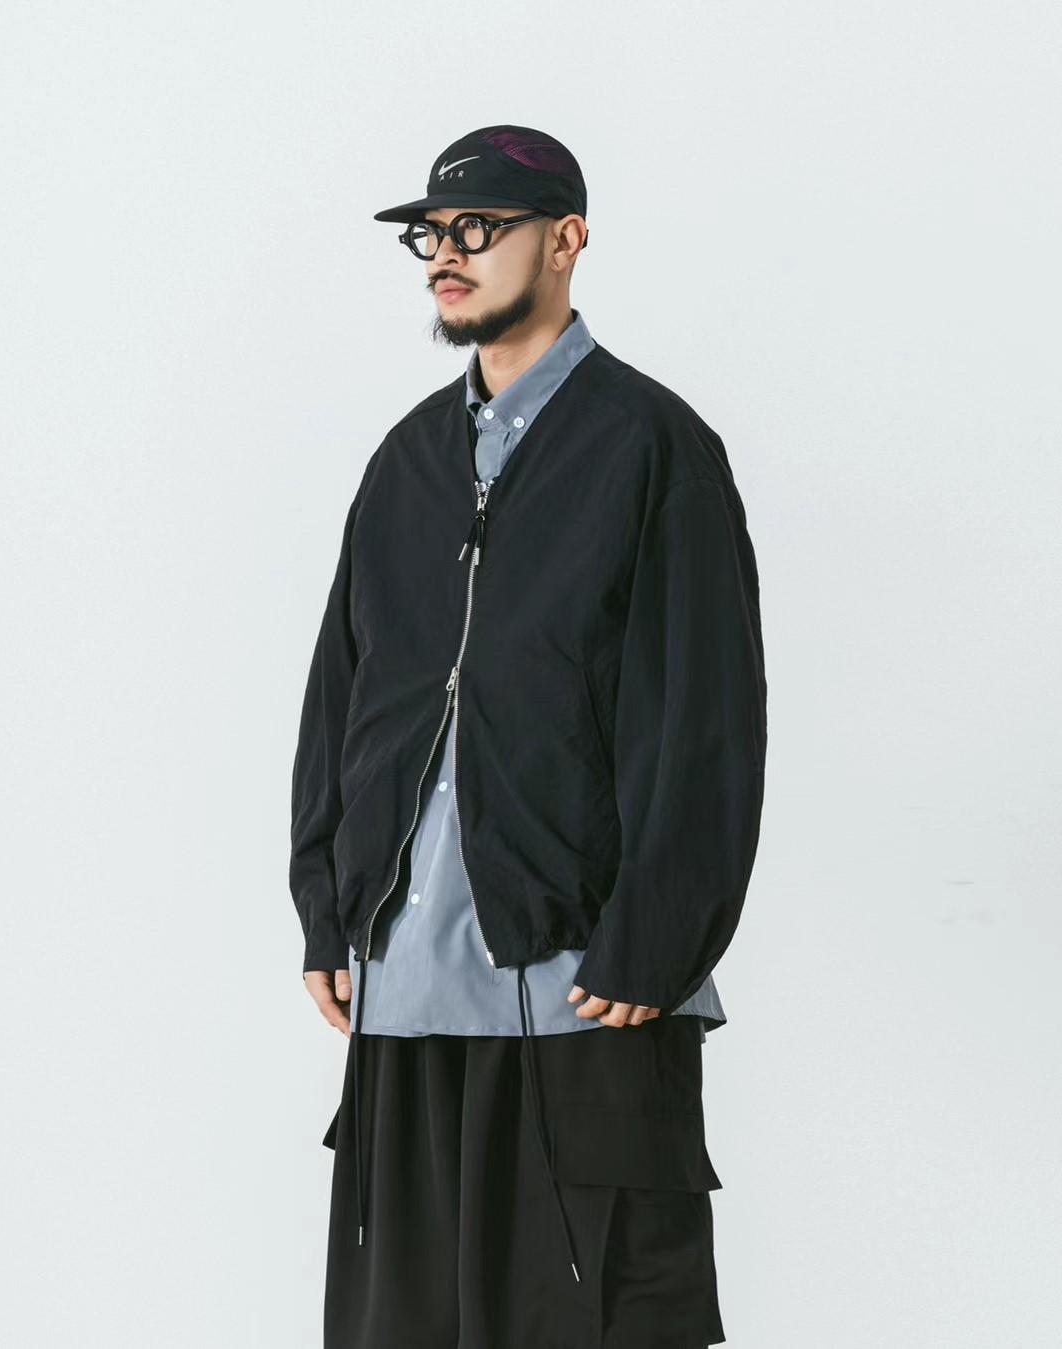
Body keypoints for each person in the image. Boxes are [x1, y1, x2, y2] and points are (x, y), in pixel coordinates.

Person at [289, 123, 768, 1349]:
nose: (446, 255)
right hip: (404, 984)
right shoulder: (406, 461)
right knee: (404, 1324)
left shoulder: (652, 446)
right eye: (431, 235)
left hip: (585, 987)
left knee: (596, 1318)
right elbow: (343, 694)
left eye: (479, 229)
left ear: (566, 239)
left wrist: (657, 935)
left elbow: (706, 718)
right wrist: (328, 907)